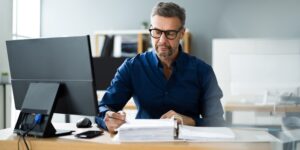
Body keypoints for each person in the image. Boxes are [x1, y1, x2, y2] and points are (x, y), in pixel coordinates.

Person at [95, 2, 225, 133]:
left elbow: (218, 122)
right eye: (157, 32)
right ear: (150, 30)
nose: (162, 40)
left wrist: (190, 121)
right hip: (143, 142)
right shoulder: (132, 67)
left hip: (188, 145)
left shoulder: (203, 71)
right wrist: (108, 118)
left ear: (182, 33)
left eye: (170, 33)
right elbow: (103, 107)